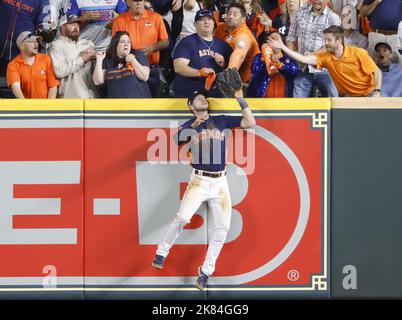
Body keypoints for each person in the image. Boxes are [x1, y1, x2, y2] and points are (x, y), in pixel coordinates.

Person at [151, 83, 256, 291]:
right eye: (198, 98)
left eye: (204, 97)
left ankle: (206, 272)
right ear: (191, 106)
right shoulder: (190, 124)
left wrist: (240, 98)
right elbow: (173, 142)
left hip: (220, 182)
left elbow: (250, 122)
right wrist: (193, 125)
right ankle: (161, 252)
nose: (203, 99)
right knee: (182, 217)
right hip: (199, 180)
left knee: (223, 228)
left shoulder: (221, 119)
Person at [268, 25, 382, 96]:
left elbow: (377, 72)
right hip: (349, 97)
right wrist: (282, 47)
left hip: (369, 94)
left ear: (339, 41)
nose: (325, 43)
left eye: (329, 40)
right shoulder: (326, 57)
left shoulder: (358, 53)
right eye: (325, 39)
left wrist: (377, 93)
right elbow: (303, 59)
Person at [285, 0, 340, 97]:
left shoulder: (334, 18)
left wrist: (312, 54)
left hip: (326, 69)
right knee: (298, 106)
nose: (318, 1)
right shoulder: (300, 12)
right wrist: (294, 57)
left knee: (333, 102)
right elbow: (290, 37)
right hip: (303, 68)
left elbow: (333, 46)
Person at [172, 9, 232, 98]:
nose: (206, 22)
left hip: (216, 92)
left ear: (214, 23)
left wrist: (223, 63)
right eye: (202, 19)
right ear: (195, 24)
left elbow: (232, 71)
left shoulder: (223, 45)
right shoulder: (187, 42)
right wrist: (198, 72)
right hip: (190, 92)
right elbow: (178, 67)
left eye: (209, 19)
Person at [0, 0, 52, 97]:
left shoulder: (42, 1)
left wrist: (44, 34)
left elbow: (44, 25)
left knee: (19, 92)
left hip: (22, 55)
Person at [50, 13, 98, 98]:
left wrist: (96, 58)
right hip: (71, 98)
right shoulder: (57, 46)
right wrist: (82, 59)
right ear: (62, 26)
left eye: (77, 24)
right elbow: (59, 71)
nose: (76, 27)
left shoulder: (88, 43)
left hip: (92, 95)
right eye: (72, 24)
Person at [93, 31, 151, 98]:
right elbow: (98, 81)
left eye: (128, 42)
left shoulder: (138, 54)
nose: (126, 44)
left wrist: (133, 60)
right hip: (115, 106)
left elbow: (145, 76)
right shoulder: (108, 60)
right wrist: (99, 60)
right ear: (115, 45)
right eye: (122, 42)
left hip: (139, 105)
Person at [112, 0, 169, 67]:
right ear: (128, 2)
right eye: (135, 1)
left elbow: (165, 41)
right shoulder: (118, 21)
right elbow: (115, 45)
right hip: (127, 67)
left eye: (141, 0)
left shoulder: (156, 18)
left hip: (152, 67)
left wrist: (153, 48)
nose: (138, 3)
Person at [214, 2, 260, 83]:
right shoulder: (220, 27)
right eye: (229, 13)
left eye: (235, 15)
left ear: (243, 19)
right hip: (221, 71)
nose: (231, 16)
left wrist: (227, 78)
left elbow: (238, 56)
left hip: (247, 81)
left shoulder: (244, 35)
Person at [6, 31, 59, 99]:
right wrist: (26, 107)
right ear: (22, 46)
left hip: (45, 106)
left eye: (36, 41)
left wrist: (48, 107)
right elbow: (16, 88)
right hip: (26, 107)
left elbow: (53, 86)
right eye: (31, 41)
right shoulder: (13, 65)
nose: (36, 44)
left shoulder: (46, 59)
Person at [248, 32, 300, 97]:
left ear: (282, 44)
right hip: (261, 100)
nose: (275, 41)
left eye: (277, 39)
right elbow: (255, 71)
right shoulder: (259, 56)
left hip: (283, 100)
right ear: (266, 42)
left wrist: (279, 64)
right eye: (272, 39)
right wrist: (267, 58)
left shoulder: (288, 58)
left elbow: (294, 72)